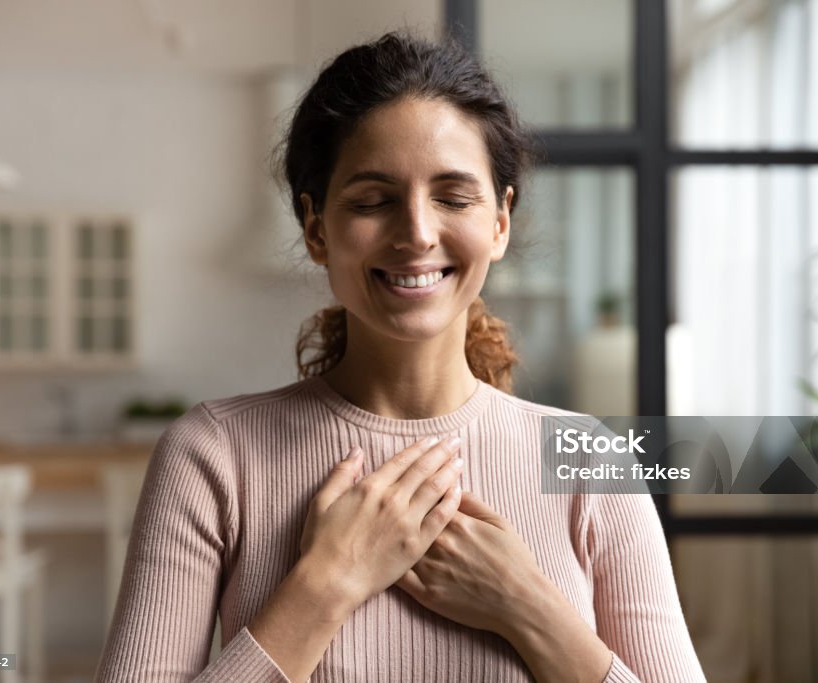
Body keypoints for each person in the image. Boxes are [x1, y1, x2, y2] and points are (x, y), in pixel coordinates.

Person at [95, 32, 706, 683]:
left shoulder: (592, 464)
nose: (416, 231)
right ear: (316, 228)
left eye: (453, 196)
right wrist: (325, 585)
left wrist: (527, 606)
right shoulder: (213, 456)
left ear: (500, 221)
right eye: (373, 199)